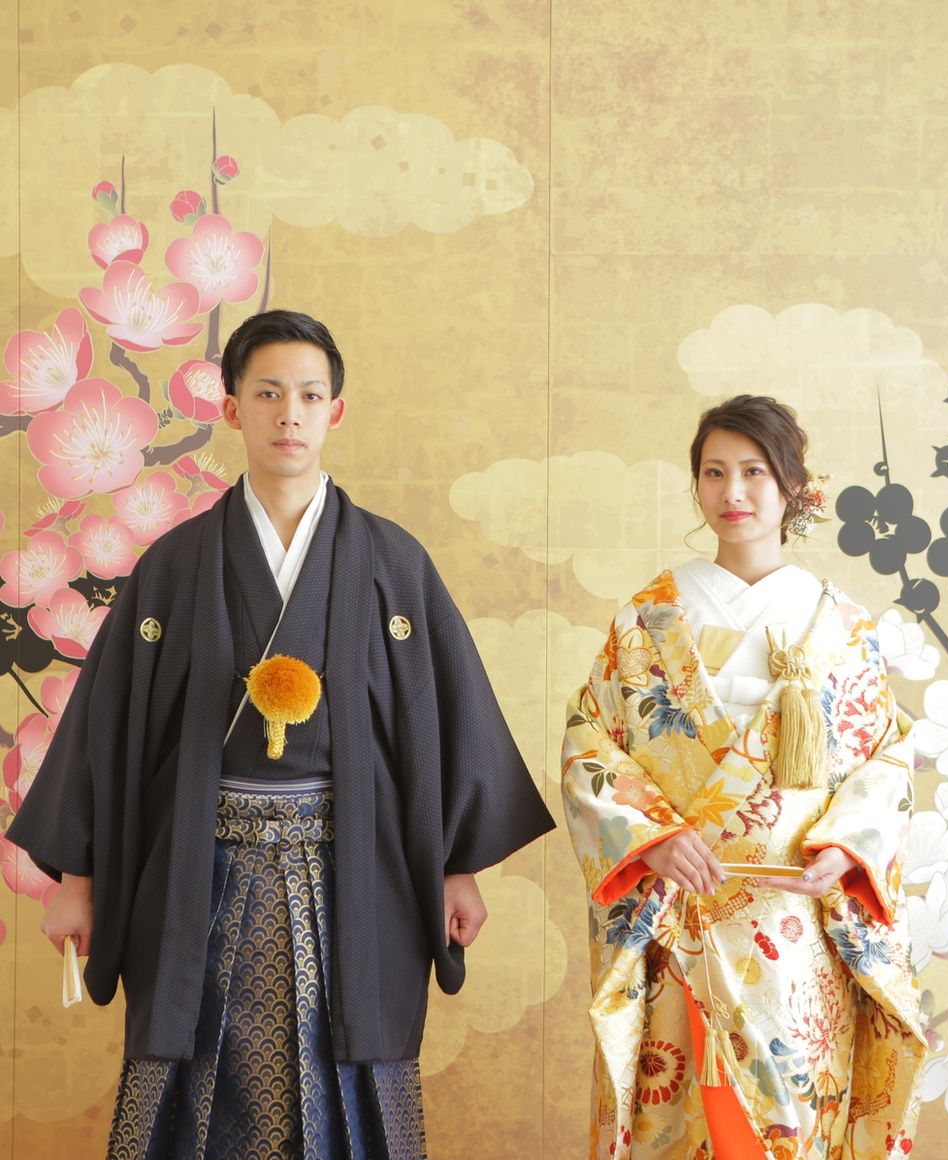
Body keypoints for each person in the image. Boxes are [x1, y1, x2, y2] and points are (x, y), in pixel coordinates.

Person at [7, 309, 555, 1159]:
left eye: (308, 395)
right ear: (232, 409)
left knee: (351, 1070)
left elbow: (439, 717)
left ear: (337, 410)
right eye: (267, 394)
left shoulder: (392, 561)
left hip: (357, 864)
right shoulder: (176, 564)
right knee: (199, 1070)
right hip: (200, 866)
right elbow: (109, 726)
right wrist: (78, 879)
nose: (288, 415)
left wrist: (457, 867)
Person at [561, 395, 925, 1159]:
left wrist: (848, 849)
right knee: (682, 1115)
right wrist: (652, 838)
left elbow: (887, 757)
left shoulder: (841, 626)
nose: (732, 492)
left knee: (790, 1122)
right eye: (714, 472)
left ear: (794, 485)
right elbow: (591, 740)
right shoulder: (648, 620)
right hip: (681, 907)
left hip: (797, 921)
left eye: (754, 472)